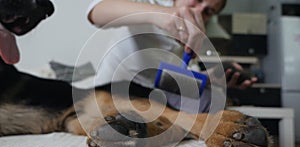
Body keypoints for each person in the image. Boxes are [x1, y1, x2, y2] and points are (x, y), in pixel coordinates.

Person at [86, 0, 257, 113]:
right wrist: (160, 14)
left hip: (154, 105)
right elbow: (96, 12)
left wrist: (210, 79)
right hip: (112, 97)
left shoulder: (195, 33)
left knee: (212, 102)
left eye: (208, 11)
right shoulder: (150, 3)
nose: (198, 9)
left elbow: (167, 80)